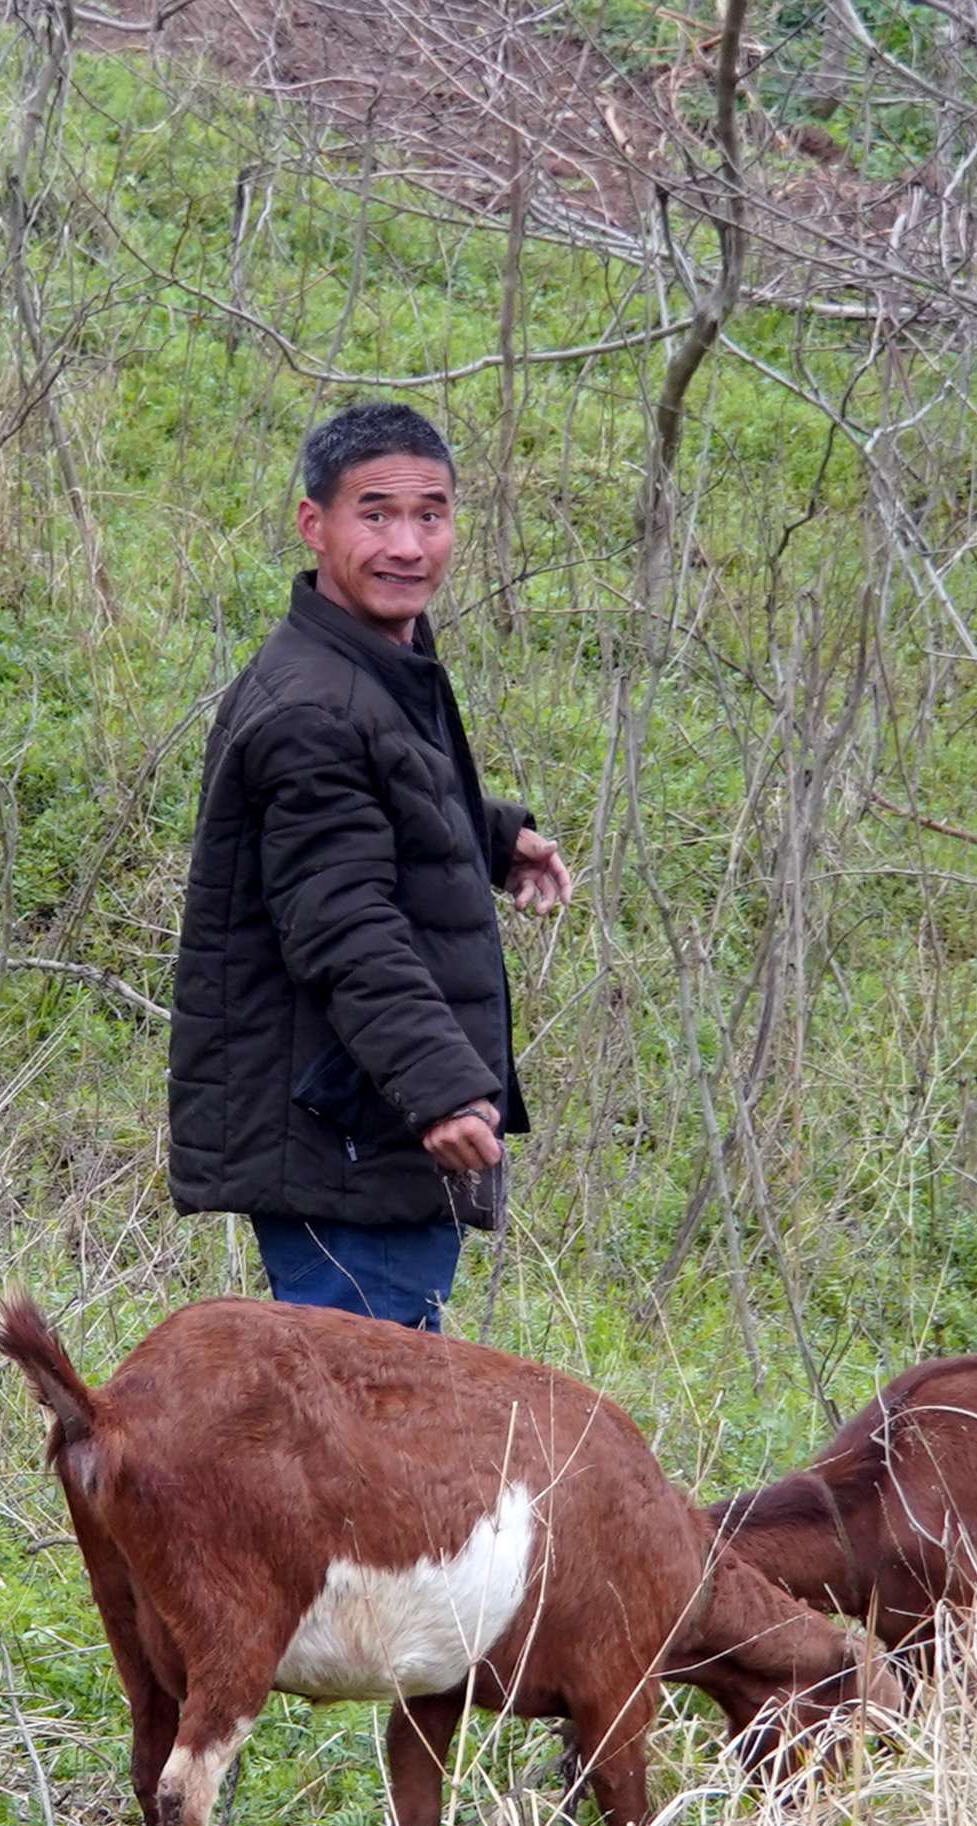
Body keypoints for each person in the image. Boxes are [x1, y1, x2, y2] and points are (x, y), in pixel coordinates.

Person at [166, 401, 574, 1332]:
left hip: (355, 1123)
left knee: (360, 1424)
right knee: (366, 1439)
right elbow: (342, 922)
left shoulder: (369, 661)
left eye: (430, 514)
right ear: (315, 525)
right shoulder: (315, 705)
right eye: (376, 513)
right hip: (351, 1134)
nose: (407, 544)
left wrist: (489, 831)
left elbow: (375, 799)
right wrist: (435, 1085)